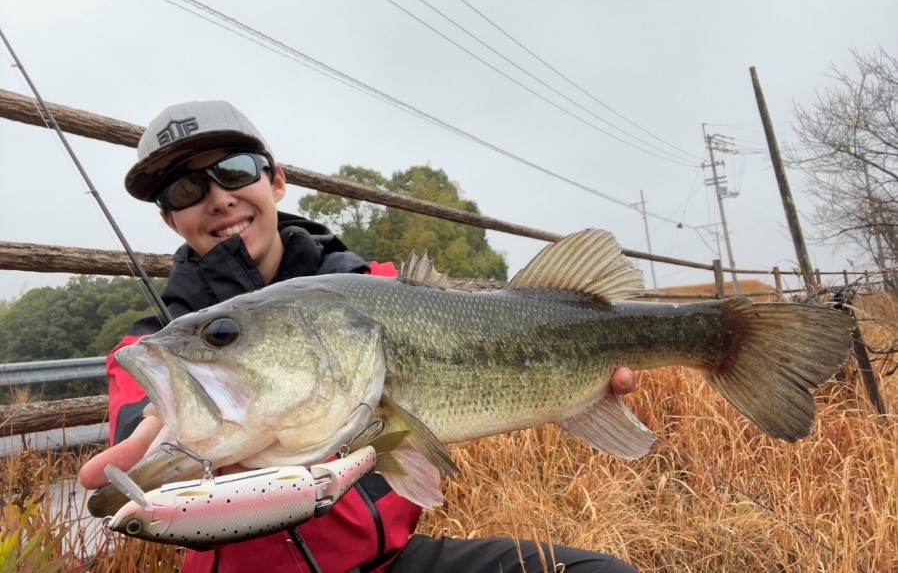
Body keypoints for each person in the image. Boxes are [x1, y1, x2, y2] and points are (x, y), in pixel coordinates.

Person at [78, 100, 639, 573]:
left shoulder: (381, 291)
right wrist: (163, 441)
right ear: (169, 219)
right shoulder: (151, 348)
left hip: (392, 562)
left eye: (236, 170)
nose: (219, 197)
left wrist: (583, 389)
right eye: (184, 189)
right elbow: (135, 462)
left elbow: (498, 344)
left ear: (276, 181)